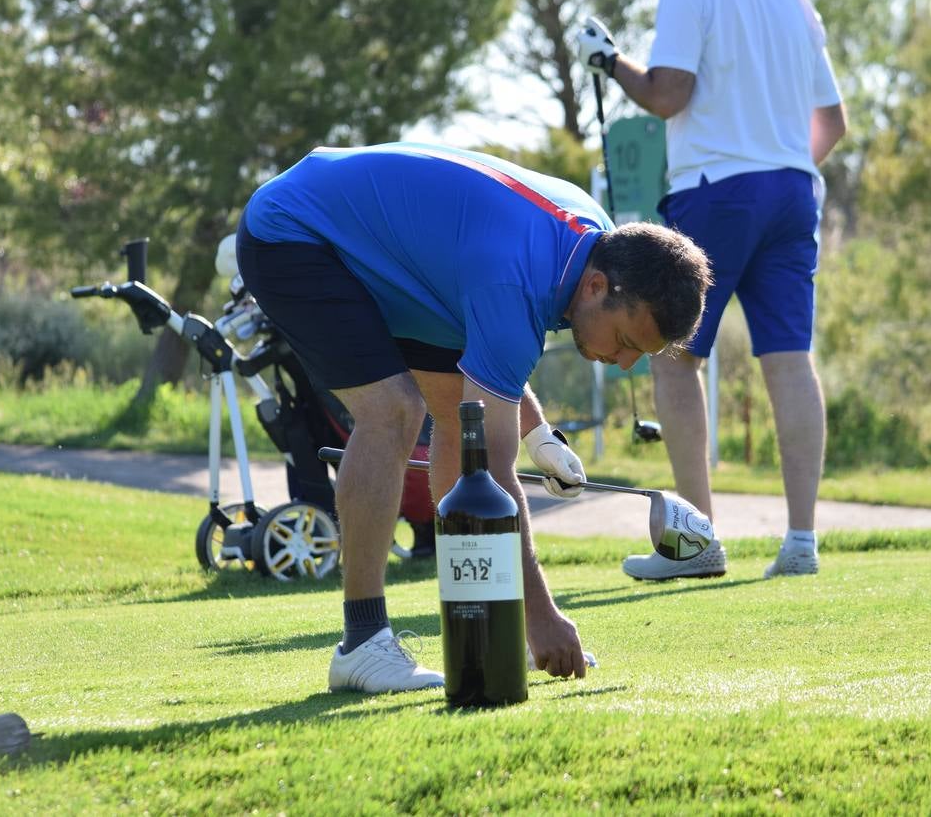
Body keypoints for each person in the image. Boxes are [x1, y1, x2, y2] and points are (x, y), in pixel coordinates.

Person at [235, 141, 711, 693]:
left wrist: (539, 436)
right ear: (597, 286)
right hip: (295, 232)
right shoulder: (518, 277)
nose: (625, 363)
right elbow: (491, 472)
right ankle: (361, 644)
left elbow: (487, 373)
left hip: (398, 262)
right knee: (394, 411)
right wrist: (541, 617)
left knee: (455, 427)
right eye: (627, 342)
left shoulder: (596, 243)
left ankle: (485, 622)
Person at [576, 0, 848, 581]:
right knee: (789, 360)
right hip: (793, 190)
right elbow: (833, 124)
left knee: (675, 358)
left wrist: (608, 61)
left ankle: (698, 544)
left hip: (716, 189)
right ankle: (802, 542)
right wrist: (777, 165)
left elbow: (668, 95)